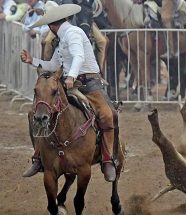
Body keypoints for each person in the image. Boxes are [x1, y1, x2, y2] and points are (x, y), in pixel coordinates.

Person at [20, 2, 117, 181]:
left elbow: (79, 56)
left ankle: (108, 159)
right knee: (37, 112)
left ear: (52, 25)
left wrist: (71, 76)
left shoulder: (73, 33)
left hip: (89, 83)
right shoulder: (63, 38)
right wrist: (32, 60)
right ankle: (39, 156)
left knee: (107, 114)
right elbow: (54, 65)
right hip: (69, 83)